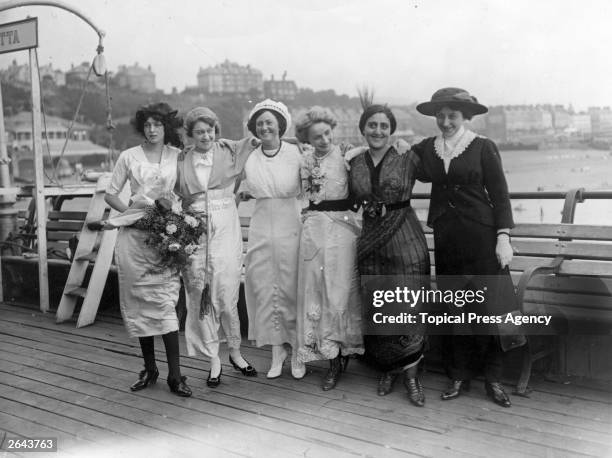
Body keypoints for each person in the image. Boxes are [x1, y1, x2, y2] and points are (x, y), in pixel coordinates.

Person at [413, 87, 515, 408]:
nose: (445, 122)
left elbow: (499, 194)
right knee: (455, 308)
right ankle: (459, 374)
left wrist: (503, 236)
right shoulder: (429, 149)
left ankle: (494, 378)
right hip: (447, 238)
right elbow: (399, 159)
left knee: (491, 308)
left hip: (482, 238)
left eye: (452, 116)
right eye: (440, 116)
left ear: (466, 118)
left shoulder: (483, 147)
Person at [98, 102, 192, 397]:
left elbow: (188, 193)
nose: (152, 130)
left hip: (166, 239)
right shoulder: (128, 157)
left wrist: (176, 221)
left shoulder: (178, 157)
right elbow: (110, 195)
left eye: (158, 124)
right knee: (140, 303)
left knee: (165, 302)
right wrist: (134, 216)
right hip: (135, 240)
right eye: (148, 125)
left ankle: (175, 375)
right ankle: (150, 369)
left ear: (166, 127)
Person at [349, 102, 430, 406]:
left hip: (405, 239)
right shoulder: (354, 162)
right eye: (372, 125)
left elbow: (442, 167)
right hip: (371, 242)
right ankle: (388, 370)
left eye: (384, 126)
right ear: (363, 129)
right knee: (379, 307)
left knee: (409, 305)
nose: (378, 131)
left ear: (392, 130)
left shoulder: (408, 156)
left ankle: (411, 377)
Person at [175, 107, 260, 388]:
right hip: (194, 230)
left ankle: (235, 351)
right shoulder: (180, 159)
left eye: (209, 130)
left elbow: (270, 140)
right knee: (199, 293)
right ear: (190, 134)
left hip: (226, 228)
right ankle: (213, 358)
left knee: (225, 291)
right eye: (199, 131)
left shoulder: (228, 149)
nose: (205, 136)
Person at [293, 107, 364, 391]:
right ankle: (328, 356)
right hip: (313, 229)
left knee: (340, 291)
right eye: (316, 136)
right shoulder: (305, 161)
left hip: (342, 229)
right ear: (307, 139)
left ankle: (342, 354)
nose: (323, 139)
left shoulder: (347, 156)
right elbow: (304, 196)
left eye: (326, 133)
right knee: (316, 289)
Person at [242, 99, 306, 379]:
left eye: (269, 122)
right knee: (264, 284)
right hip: (261, 221)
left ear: (280, 125)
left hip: (290, 220)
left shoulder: (296, 153)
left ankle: (299, 350)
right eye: (260, 123)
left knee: (293, 284)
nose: (265, 127)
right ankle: (277, 350)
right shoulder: (249, 155)